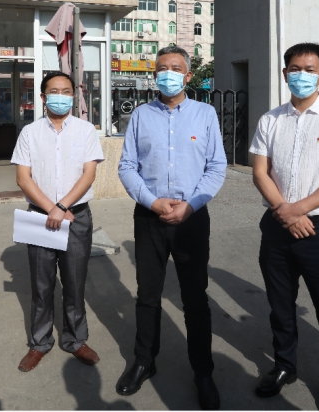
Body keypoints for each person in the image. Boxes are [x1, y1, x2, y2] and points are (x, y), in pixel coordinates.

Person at [250, 43, 319, 409]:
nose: (302, 75)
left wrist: (298, 210)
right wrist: (284, 211)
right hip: (277, 227)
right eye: (295, 69)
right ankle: (285, 365)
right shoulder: (270, 120)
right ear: (285, 74)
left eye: (310, 69)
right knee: (280, 306)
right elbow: (260, 171)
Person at [116, 45, 227, 410]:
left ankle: (203, 372)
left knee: (195, 299)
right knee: (147, 295)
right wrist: (152, 202)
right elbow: (127, 166)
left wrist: (190, 205)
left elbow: (216, 167)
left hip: (191, 219)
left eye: (176, 68)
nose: (168, 73)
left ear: (188, 75)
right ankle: (144, 360)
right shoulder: (141, 115)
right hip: (150, 218)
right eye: (162, 68)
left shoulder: (205, 114)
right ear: (154, 75)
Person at [11, 71, 104, 372]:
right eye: (54, 91)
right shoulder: (29, 133)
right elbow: (23, 178)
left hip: (76, 216)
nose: (60, 96)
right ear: (42, 97)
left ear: (73, 96)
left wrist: (62, 207)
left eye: (66, 91)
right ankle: (40, 342)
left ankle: (75, 340)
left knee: (75, 283)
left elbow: (89, 174)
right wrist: (52, 209)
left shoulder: (86, 130)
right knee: (42, 285)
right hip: (40, 217)